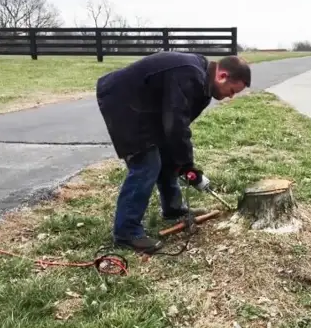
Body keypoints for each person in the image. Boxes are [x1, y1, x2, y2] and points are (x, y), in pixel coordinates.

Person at [95, 51, 251, 254]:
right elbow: (176, 125)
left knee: (168, 155)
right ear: (222, 76)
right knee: (146, 164)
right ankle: (126, 231)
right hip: (123, 99)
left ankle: (173, 208)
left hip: (147, 105)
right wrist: (188, 165)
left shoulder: (203, 84)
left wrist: (182, 163)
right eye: (232, 91)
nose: (230, 96)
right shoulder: (190, 75)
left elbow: (177, 129)